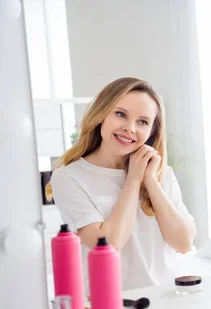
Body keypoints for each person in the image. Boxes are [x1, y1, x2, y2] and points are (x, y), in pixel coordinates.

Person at [48, 77, 197, 291]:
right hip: (111, 303)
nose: (130, 128)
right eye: (120, 114)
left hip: (167, 295)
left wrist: (150, 181)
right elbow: (109, 245)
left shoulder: (161, 172)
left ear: (151, 131)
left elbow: (183, 243)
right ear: (101, 115)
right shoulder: (69, 177)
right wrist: (133, 180)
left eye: (143, 122)